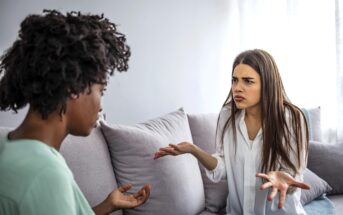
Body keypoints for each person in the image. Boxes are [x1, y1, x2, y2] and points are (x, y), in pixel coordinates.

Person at [0, 10, 150, 215]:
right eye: (101, 90)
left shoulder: (10, 147)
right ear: (74, 87)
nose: (101, 106)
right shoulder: (44, 173)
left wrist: (107, 205)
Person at [154, 49, 310, 215]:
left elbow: (294, 176)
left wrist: (285, 179)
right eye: (234, 80)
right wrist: (194, 150)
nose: (237, 88)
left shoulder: (291, 118)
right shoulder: (228, 115)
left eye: (248, 81)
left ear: (267, 84)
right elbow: (222, 169)